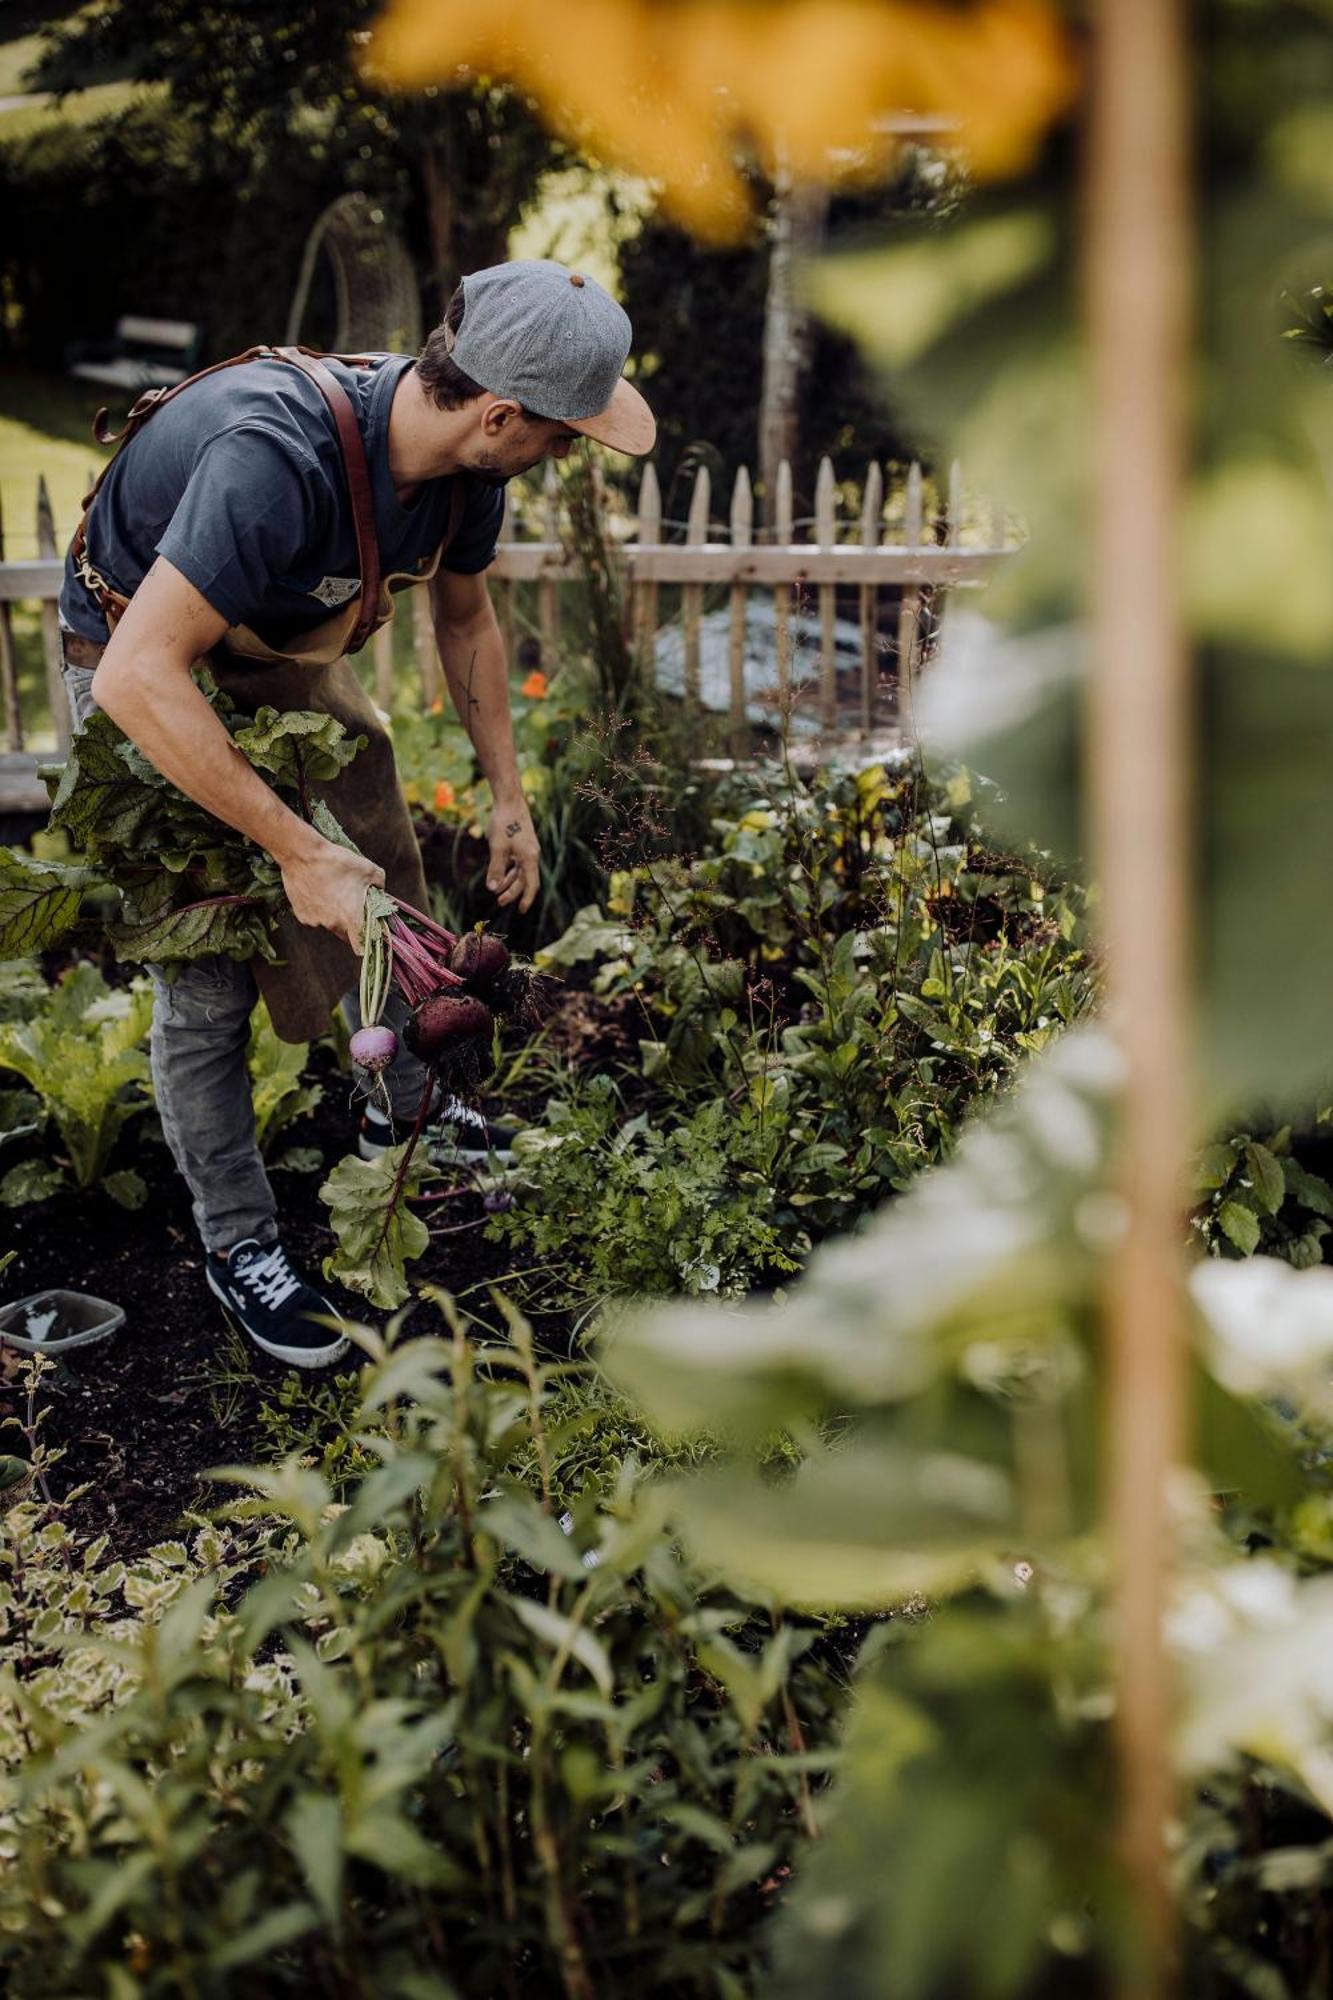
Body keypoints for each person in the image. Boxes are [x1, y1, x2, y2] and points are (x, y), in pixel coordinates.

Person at [56, 259, 656, 1370]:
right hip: (139, 660)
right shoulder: (273, 458)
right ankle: (240, 1242)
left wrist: (510, 799)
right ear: (498, 413)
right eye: (564, 436)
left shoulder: (468, 472)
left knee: (377, 851)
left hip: (267, 650)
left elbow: (467, 621)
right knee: (210, 961)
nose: (565, 455)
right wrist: (290, 851)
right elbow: (145, 675)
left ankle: (405, 1109)